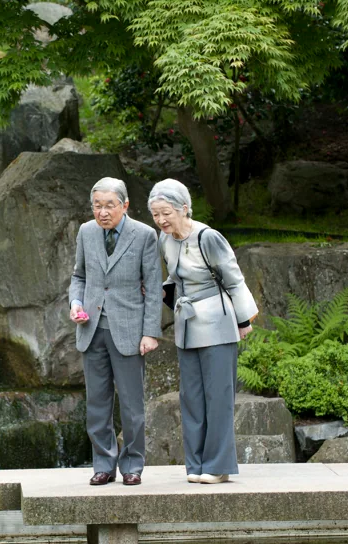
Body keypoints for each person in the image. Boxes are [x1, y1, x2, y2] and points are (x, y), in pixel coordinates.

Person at [148, 178, 258, 484]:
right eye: (156, 214)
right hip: (187, 325)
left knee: (218, 395)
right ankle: (195, 466)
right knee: (191, 397)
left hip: (217, 322)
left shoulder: (208, 237)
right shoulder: (165, 239)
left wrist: (244, 320)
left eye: (166, 212)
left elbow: (234, 278)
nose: (161, 220)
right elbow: (174, 276)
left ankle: (218, 466)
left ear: (184, 208)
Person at [69, 177, 162, 486]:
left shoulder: (145, 235)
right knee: (97, 403)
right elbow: (78, 275)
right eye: (97, 205)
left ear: (125, 205)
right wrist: (75, 302)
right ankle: (103, 465)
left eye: (109, 205)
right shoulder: (86, 232)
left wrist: (151, 333)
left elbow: (153, 289)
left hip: (130, 332)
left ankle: (133, 465)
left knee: (133, 405)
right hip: (91, 328)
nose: (102, 212)